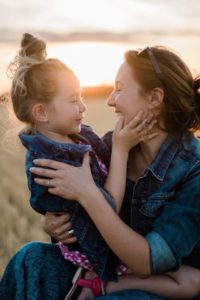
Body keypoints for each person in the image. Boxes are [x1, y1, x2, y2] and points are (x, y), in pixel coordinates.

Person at [0, 42, 200, 299]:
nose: (110, 100)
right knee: (30, 260)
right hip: (108, 266)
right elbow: (79, 219)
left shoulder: (194, 171)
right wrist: (55, 222)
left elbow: (150, 262)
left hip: (164, 284)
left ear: (154, 99)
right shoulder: (113, 143)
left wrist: (89, 195)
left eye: (119, 89)